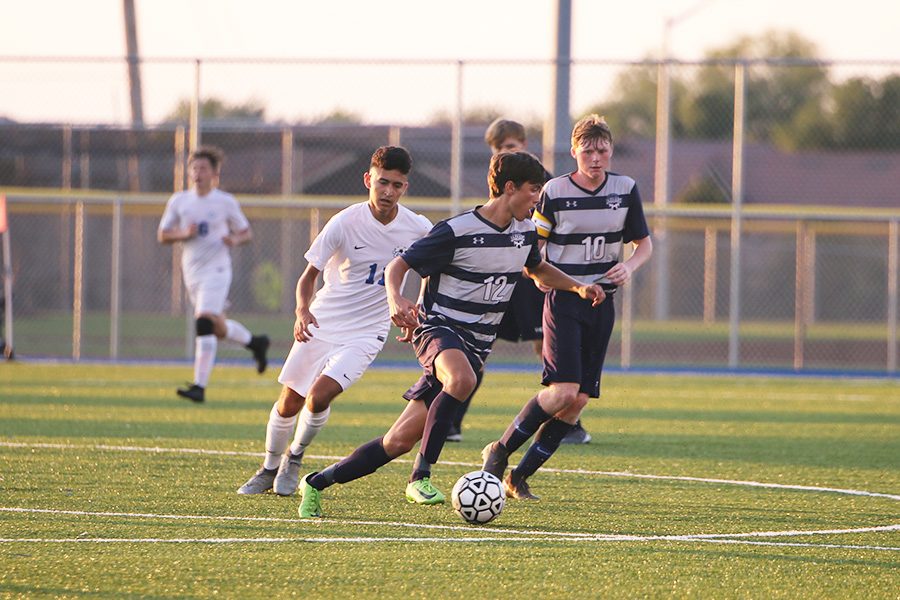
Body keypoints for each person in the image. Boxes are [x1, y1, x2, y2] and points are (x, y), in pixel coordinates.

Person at [295, 151, 605, 518]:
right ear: (510, 188)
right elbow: (398, 266)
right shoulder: (456, 231)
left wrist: (578, 287)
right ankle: (420, 477)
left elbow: (539, 271)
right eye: (534, 191)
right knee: (462, 379)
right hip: (438, 330)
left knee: (397, 440)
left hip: (475, 344)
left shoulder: (523, 234)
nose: (538, 199)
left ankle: (316, 483)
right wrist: (396, 299)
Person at [236, 146, 432, 496]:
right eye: (382, 182)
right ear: (368, 179)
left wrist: (416, 307)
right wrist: (302, 311)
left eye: (397, 185)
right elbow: (308, 276)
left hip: (368, 331)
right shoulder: (345, 222)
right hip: (323, 322)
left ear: (406, 187)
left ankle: (294, 457)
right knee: (289, 402)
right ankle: (267, 468)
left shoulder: (417, 227)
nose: (388, 191)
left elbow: (433, 270)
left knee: (319, 396)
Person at [481, 114, 653, 500]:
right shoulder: (554, 191)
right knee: (562, 392)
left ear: (610, 151)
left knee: (576, 402)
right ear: (574, 151)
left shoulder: (625, 189)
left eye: (602, 150)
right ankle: (500, 450)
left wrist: (628, 266)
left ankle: (518, 477)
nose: (596, 158)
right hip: (564, 299)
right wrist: (540, 276)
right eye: (588, 151)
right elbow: (534, 245)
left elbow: (644, 244)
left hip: (602, 301)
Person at [447, 118, 592, 445]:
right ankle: (451, 421)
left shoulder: (546, 186)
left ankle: (566, 419)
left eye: (511, 147)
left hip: (531, 280)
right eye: (499, 149)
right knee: (476, 345)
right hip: (498, 279)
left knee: (547, 347)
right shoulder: (499, 188)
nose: (505, 153)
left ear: (524, 146)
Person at [157, 146, 269, 403]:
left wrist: (234, 239)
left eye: (203, 168)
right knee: (217, 327)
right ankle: (256, 343)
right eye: (194, 168)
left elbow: (246, 233)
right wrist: (183, 234)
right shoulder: (179, 201)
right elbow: (163, 234)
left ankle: (199, 386)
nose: (198, 173)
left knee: (204, 322)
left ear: (214, 173)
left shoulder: (225, 201)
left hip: (218, 270)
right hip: (192, 271)